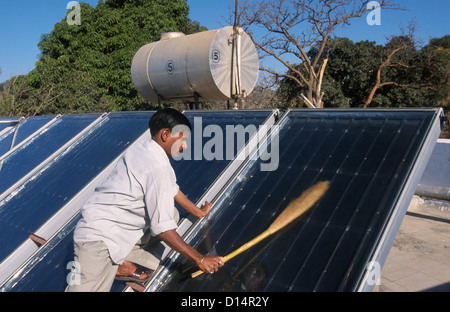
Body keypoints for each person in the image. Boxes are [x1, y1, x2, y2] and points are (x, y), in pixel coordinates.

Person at [66, 108, 223, 292]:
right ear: (165, 134)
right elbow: (162, 228)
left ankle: (122, 262)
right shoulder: (158, 167)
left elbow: (172, 190)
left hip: (112, 231)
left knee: (171, 213)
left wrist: (197, 212)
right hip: (98, 241)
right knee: (166, 222)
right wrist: (199, 258)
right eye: (183, 139)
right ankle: (121, 262)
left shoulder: (142, 149)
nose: (185, 146)